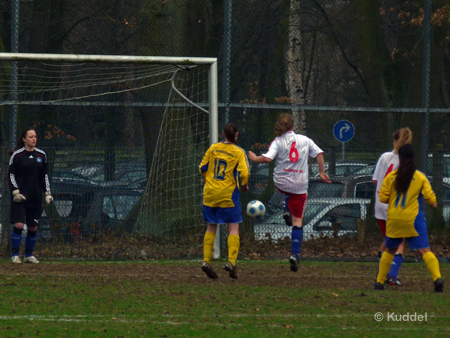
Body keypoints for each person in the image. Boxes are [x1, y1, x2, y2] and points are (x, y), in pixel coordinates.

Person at [248, 113, 331, 272]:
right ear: (293, 127)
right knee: (297, 221)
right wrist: (321, 172)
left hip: (281, 182)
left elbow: (267, 159)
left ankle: (286, 209)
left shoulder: (278, 141)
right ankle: (295, 254)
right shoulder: (305, 140)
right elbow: (319, 155)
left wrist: (254, 157)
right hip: (299, 184)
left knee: (287, 191)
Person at [375, 144, 444, 292]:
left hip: (394, 218)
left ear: (399, 158)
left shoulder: (391, 177)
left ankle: (379, 283)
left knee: (390, 250)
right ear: (413, 158)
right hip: (413, 220)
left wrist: (392, 200)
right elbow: (430, 198)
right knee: (425, 250)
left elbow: (382, 197)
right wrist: (433, 203)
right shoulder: (419, 177)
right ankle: (437, 279)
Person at [199, 123, 249, 280]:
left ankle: (206, 261)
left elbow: (202, 167)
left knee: (211, 227)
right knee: (233, 228)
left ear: (222, 134)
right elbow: (244, 173)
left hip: (210, 193)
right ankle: (231, 261)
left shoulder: (213, 148)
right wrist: (244, 185)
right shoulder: (239, 152)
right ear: (236, 136)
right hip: (228, 195)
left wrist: (209, 179)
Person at [372, 127, 412, 286]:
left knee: (388, 242)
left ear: (395, 142)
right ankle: (391, 276)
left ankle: (381, 272)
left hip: (379, 206)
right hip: (393, 206)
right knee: (399, 243)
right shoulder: (404, 161)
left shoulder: (384, 157)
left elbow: (375, 181)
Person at [8, 127, 53, 264]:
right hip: (20, 198)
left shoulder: (41, 155)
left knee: (33, 227)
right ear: (24, 139)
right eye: (30, 137)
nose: (34, 139)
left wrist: (47, 193)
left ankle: (29, 255)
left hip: (35, 198)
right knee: (20, 225)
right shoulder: (17, 156)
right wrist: (15, 192)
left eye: (35, 137)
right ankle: (15, 255)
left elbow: (44, 176)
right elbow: (10, 175)